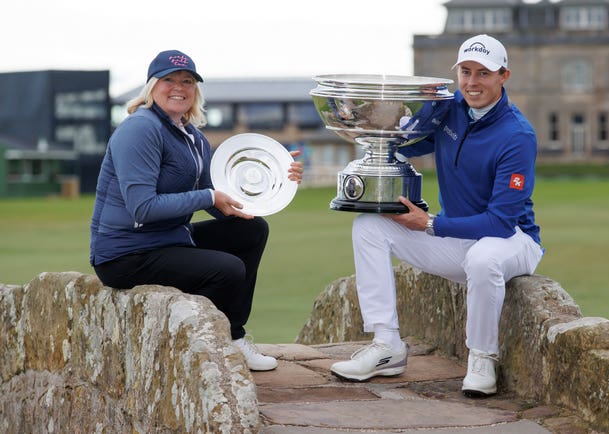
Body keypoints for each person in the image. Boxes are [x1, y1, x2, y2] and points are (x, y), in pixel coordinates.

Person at [330, 34, 544, 397]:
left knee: (482, 257)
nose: (472, 83)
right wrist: (373, 128)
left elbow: (500, 222)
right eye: (465, 72)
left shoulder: (517, 135)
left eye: (483, 74)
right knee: (368, 225)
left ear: (503, 76)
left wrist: (429, 224)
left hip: (513, 242)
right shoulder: (452, 107)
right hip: (456, 240)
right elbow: (411, 142)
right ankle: (387, 346)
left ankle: (482, 357)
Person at [89, 50, 303, 371]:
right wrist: (208, 197)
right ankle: (212, 348)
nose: (179, 87)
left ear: (195, 89)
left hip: (168, 239)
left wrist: (276, 177)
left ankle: (232, 336)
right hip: (126, 254)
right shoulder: (140, 129)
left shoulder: (194, 137)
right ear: (152, 87)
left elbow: (218, 199)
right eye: (169, 80)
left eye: (187, 81)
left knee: (252, 229)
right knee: (228, 270)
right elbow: (143, 208)